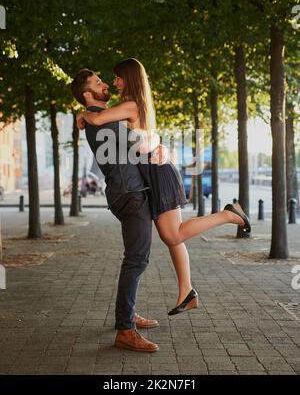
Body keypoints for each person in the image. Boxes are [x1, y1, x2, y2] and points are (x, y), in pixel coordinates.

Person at [77, 59, 251, 316]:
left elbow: (101, 117)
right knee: (173, 236)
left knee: (173, 235)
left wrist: (81, 114)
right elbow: (141, 137)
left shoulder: (130, 105)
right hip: (153, 173)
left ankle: (228, 214)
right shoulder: (131, 105)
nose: (114, 83)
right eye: (108, 79)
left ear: (130, 78)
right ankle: (186, 291)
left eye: (117, 78)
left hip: (158, 174)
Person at [71, 69, 168, 353]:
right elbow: (142, 146)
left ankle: (128, 315)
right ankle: (125, 329)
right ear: (88, 94)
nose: (104, 85)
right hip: (130, 195)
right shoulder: (103, 122)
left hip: (126, 193)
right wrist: (157, 143)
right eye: (97, 83)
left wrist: (84, 114)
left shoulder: (99, 118)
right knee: (136, 260)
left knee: (135, 259)